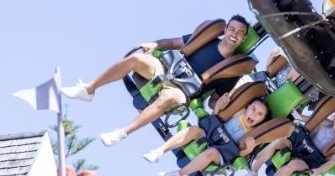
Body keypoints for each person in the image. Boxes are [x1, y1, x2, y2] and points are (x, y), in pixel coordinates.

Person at [61, 15, 251, 147]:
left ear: (243, 38)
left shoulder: (232, 69)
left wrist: (221, 102)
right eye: (232, 29)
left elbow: (213, 101)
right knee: (137, 59)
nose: (234, 34)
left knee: (168, 96)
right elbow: (172, 42)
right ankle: (89, 89)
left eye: (240, 33)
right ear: (225, 29)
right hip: (168, 69)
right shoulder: (206, 39)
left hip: (183, 90)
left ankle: (122, 132)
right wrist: (154, 44)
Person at [143, 94, 270, 176]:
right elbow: (217, 118)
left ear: (262, 120)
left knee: (211, 153)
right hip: (211, 133)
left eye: (259, 114)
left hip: (222, 151)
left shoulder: (254, 133)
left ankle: (177, 174)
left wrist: (249, 149)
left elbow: (239, 154)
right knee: (194, 130)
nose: (254, 114)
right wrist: (218, 107)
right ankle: (158, 151)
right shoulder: (238, 111)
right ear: (247, 107)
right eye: (253, 109)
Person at [236, 106, 335, 176]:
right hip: (301, 145)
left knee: (293, 165)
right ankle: (253, 173)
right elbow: (307, 119)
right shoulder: (325, 123)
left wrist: (319, 170)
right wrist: (293, 114)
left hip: (311, 160)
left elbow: (332, 161)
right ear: (334, 118)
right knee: (280, 140)